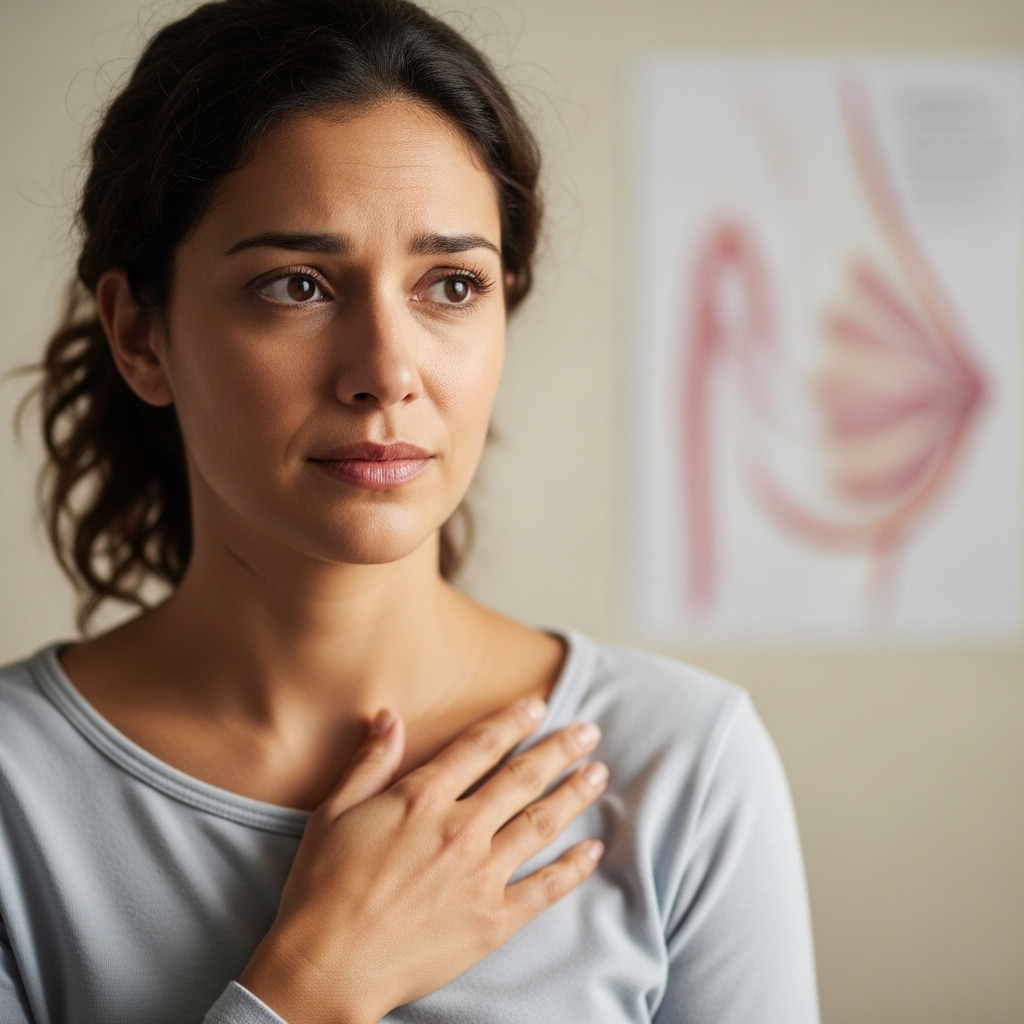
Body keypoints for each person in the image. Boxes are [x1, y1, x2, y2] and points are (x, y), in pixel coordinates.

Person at [0, 1, 819, 1021]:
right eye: (296, 285)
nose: (388, 371)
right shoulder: (15, 791)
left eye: (450, 286)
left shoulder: (682, 764)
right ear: (140, 336)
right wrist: (311, 983)